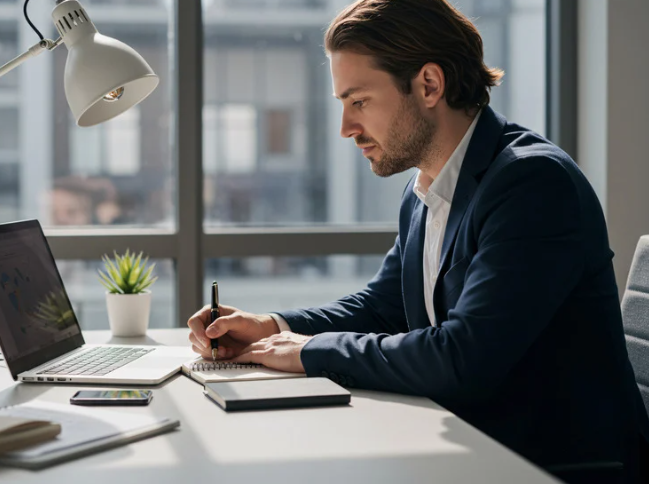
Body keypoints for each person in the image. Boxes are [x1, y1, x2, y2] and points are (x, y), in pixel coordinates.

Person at [188, 0, 649, 480]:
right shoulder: (425, 188)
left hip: (551, 465)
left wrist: (306, 351)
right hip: (474, 442)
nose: (346, 128)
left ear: (429, 84)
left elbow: (464, 358)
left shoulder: (532, 184)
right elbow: (382, 306)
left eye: (359, 101)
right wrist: (270, 325)